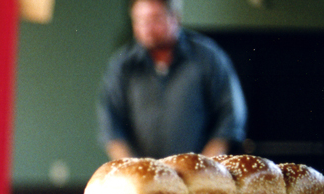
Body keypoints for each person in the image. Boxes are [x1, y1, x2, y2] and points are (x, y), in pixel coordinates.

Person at [97, 0, 247, 160]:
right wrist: (132, 170)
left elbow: (231, 117)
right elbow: (110, 125)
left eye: (155, 19)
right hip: (142, 180)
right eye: (139, 20)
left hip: (199, 177)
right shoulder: (123, 65)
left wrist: (206, 166)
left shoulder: (208, 57)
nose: (147, 27)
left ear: (175, 17)